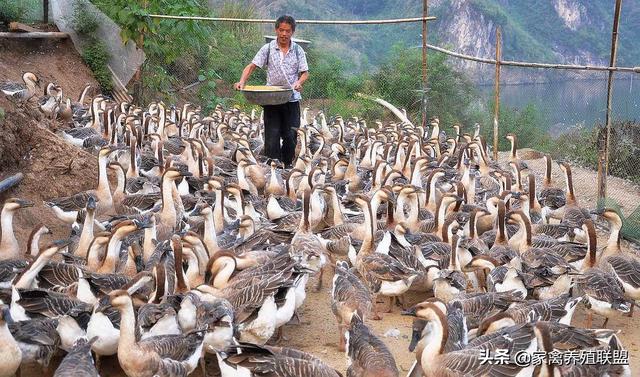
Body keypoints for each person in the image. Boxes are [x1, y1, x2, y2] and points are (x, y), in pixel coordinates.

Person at [234, 15, 309, 168]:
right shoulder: (267, 48)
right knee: (272, 136)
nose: (284, 34)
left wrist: (298, 82)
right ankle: (273, 168)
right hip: (271, 99)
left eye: (288, 31)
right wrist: (242, 81)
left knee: (291, 136)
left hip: (291, 98)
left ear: (292, 32)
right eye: (281, 30)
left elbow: (305, 73)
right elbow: (252, 66)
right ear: (276, 30)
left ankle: (287, 165)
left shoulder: (297, 50)